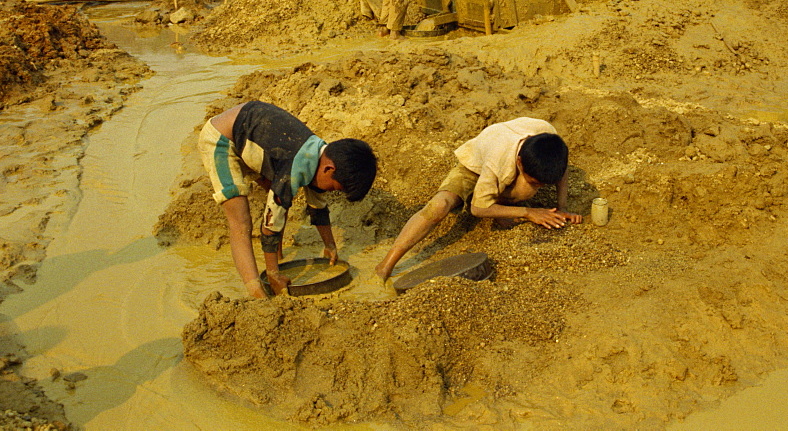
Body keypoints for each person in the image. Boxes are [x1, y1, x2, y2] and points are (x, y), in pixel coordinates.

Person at [197, 100, 377, 298]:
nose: (332, 193)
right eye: (335, 189)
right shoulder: (295, 166)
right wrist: (273, 273)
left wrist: (330, 245)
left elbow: (318, 206)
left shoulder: (321, 154)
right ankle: (257, 292)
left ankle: (277, 258)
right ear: (328, 169)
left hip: (251, 134)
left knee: (280, 199)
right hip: (222, 139)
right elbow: (271, 222)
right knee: (241, 222)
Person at [375, 117, 581, 281]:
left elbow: (561, 171)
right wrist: (527, 212)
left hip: (504, 166)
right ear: (519, 163)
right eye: (537, 182)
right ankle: (386, 265)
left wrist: (562, 207)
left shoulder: (551, 140)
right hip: (474, 167)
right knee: (438, 206)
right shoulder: (498, 160)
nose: (541, 187)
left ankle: (500, 201)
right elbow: (478, 209)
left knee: (525, 189)